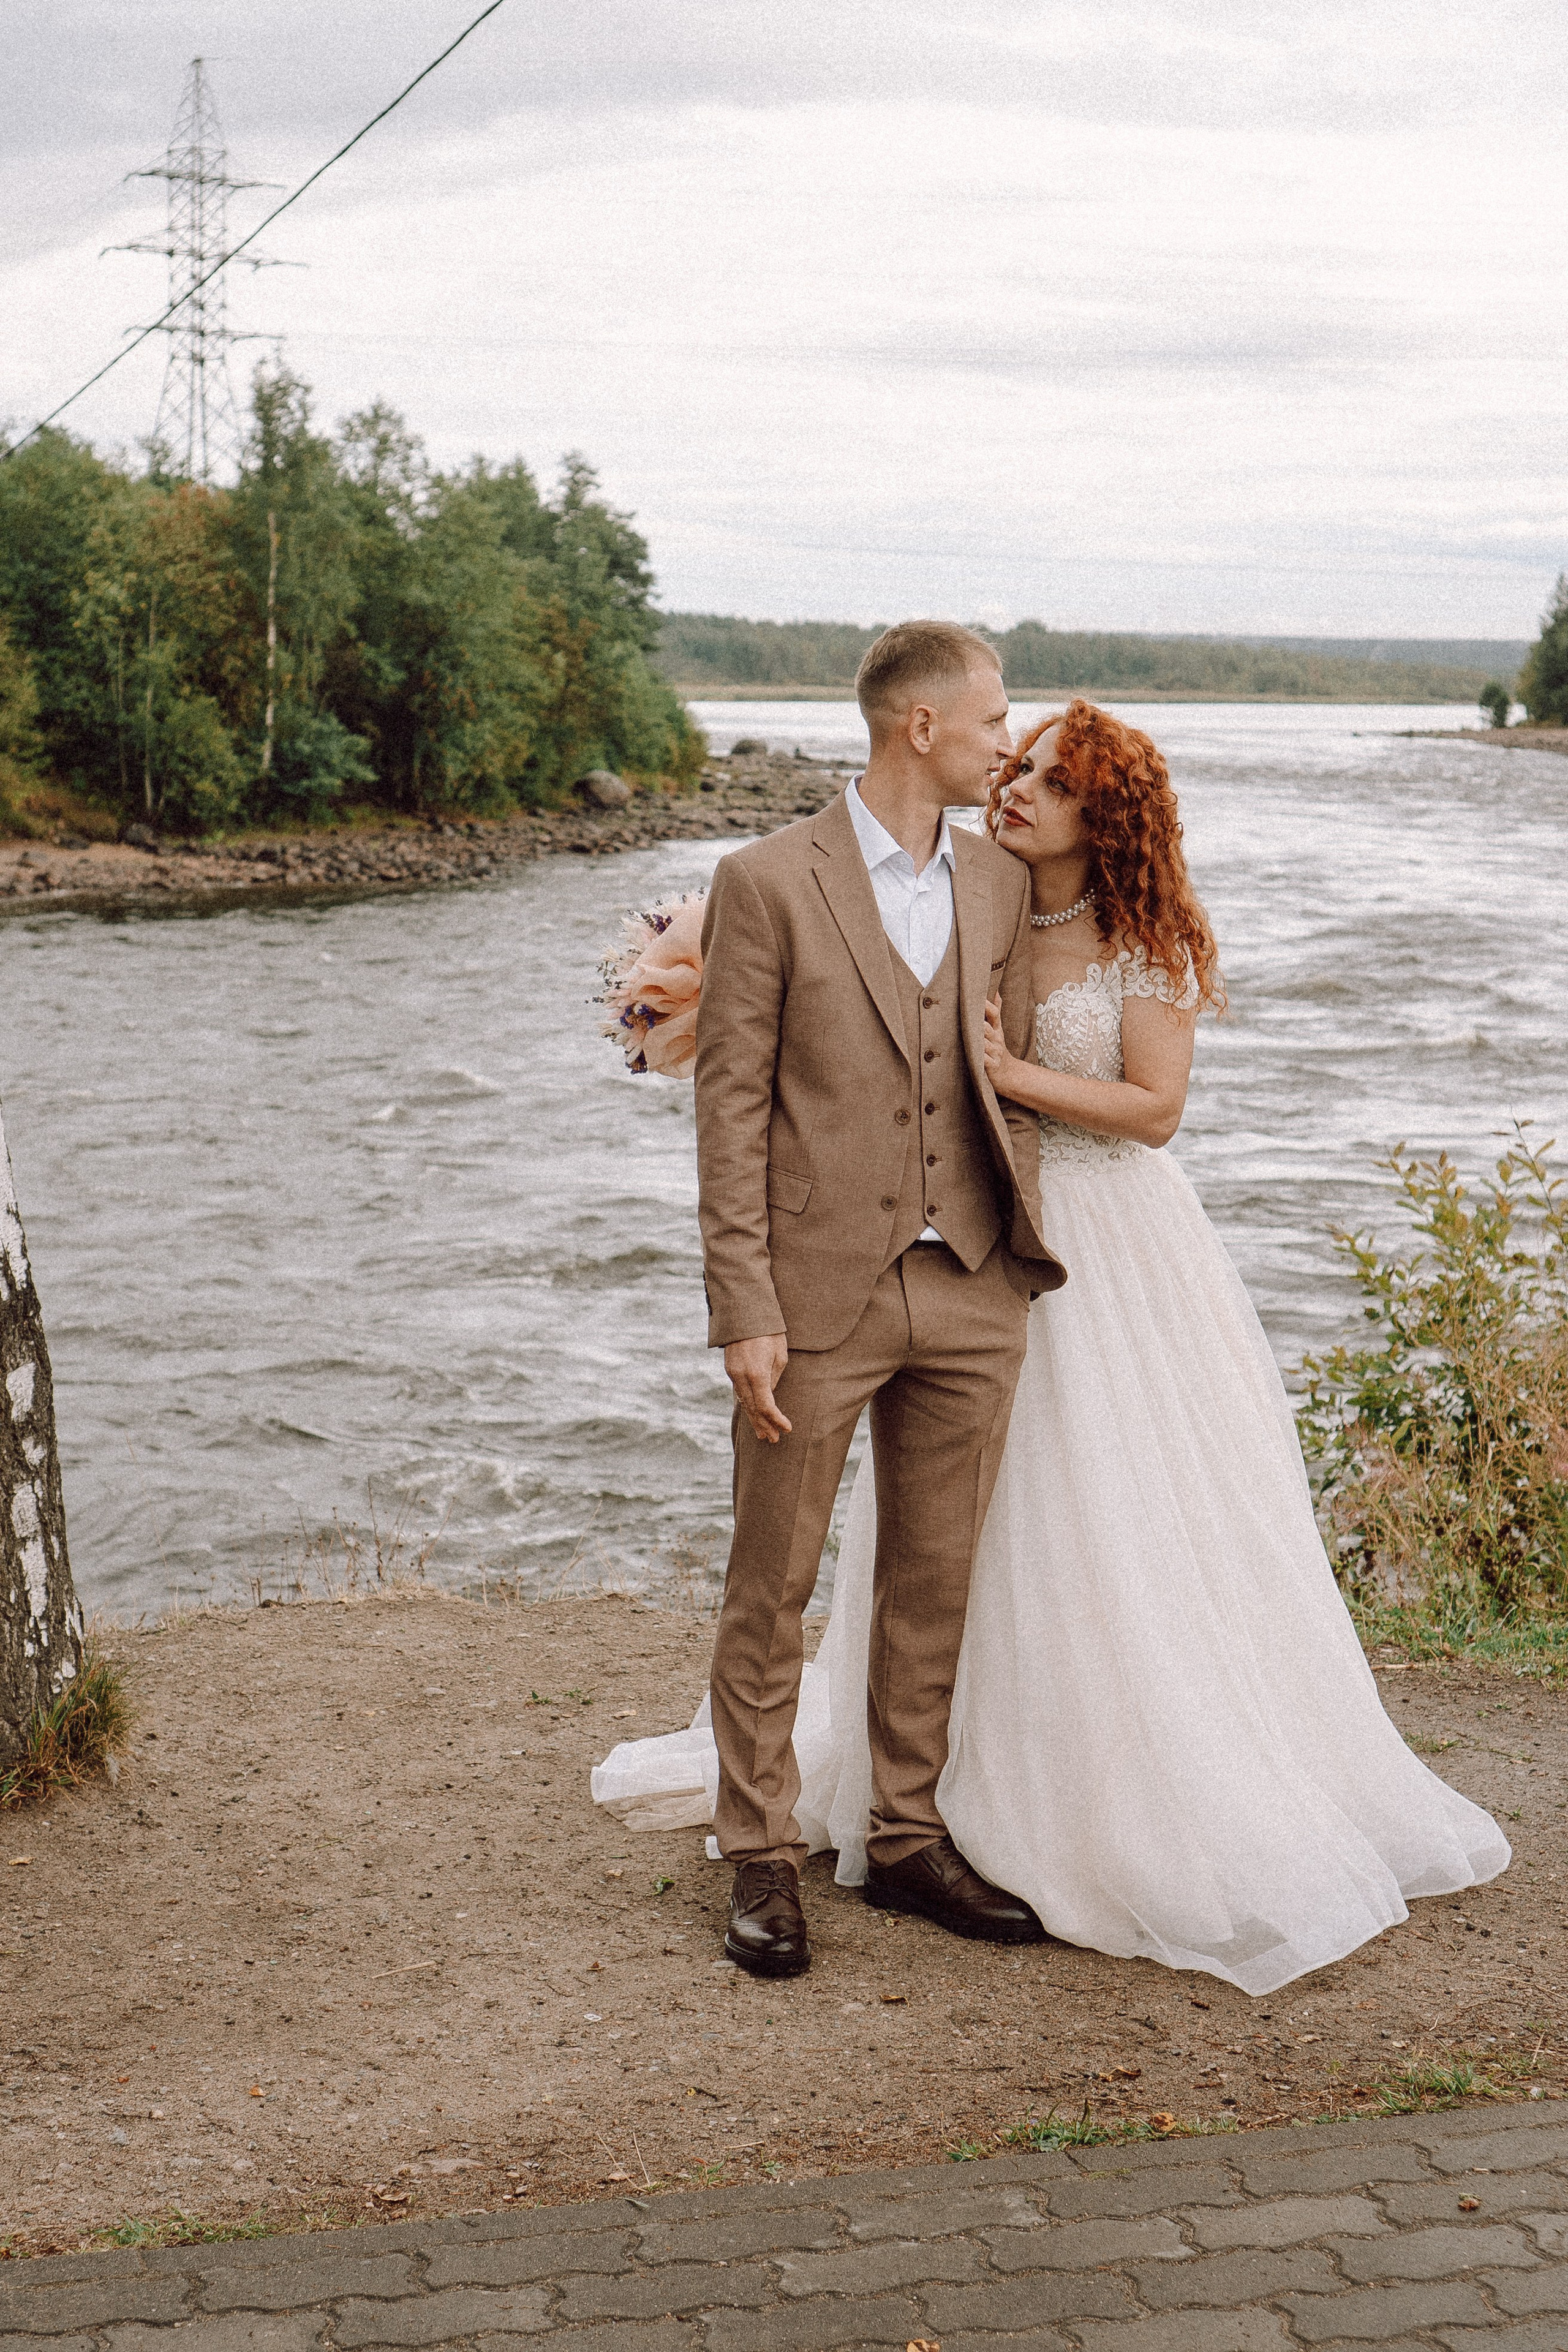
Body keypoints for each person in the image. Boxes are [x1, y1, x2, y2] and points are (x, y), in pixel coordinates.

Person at [594, 695, 1509, 1998]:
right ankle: (918, 1803)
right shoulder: (962, 892)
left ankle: (1086, 1791)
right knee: (946, 1533)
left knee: (1100, 1519)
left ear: (1105, 816)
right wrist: (695, 992)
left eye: (1046, 781)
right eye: (1010, 765)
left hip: (1106, 1251)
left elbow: (1153, 1109)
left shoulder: (1142, 939)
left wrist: (1007, 1075)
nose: (1013, 788)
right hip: (951, 1240)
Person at [687, 620, 1065, 1978]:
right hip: (812, 1293)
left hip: (969, 1285)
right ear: (919, 727)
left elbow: (1003, 1066)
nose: (1003, 743)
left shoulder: (998, 881)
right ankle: (761, 1857)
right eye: (989, 721)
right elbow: (727, 1107)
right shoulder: (765, 881)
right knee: (770, 1585)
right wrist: (744, 1304)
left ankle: (905, 1838)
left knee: (934, 1578)